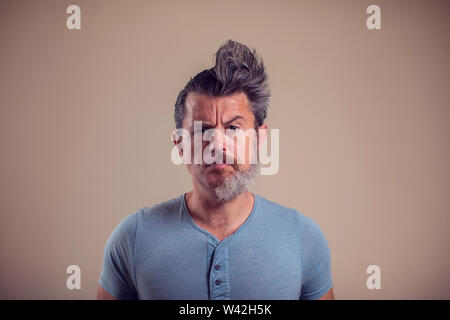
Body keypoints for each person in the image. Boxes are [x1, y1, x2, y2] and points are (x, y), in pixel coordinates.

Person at [97, 40, 334, 300]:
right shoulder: (132, 238)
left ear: (259, 139)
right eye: (202, 130)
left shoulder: (303, 238)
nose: (218, 145)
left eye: (233, 128)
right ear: (179, 145)